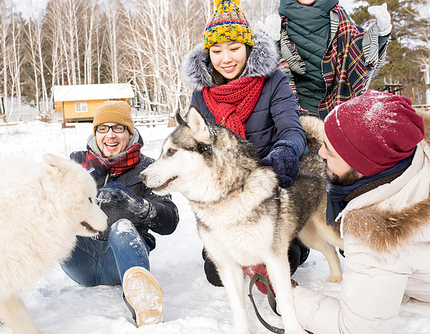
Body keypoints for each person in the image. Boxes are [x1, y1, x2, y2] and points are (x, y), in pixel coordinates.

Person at [180, 0, 309, 291]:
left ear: (249, 48)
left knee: (288, 254)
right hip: (227, 191)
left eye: (234, 48)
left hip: (270, 183)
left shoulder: (274, 81)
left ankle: (291, 242)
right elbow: (196, 143)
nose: (225, 58)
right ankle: (249, 259)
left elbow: (292, 128)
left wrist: (285, 150)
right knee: (216, 273)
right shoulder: (201, 94)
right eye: (216, 51)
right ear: (208, 53)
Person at [292, 90, 430, 333]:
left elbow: (356, 329)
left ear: (365, 165)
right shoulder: (413, 148)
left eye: (330, 151)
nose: (320, 153)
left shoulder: (380, 237)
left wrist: (286, 295)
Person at [60, 100, 179, 327]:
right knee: (44, 222)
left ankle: (143, 306)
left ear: (129, 132)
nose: (110, 135)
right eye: (102, 128)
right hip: (82, 262)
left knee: (122, 226)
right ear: (95, 133)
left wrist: (136, 204)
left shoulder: (148, 168)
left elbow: (171, 220)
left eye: (118, 128)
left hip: (121, 263)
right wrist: (83, 184)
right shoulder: (78, 164)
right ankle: (4, 298)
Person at [260, 0, 392, 119]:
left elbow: (363, 62)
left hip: (337, 114)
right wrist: (269, 44)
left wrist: (381, 35)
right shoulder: (278, 25)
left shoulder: (342, 22)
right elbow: (265, 77)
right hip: (291, 116)